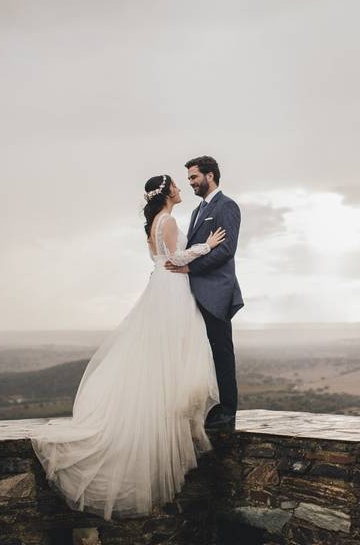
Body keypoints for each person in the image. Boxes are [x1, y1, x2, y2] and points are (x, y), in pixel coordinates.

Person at [29, 174, 226, 520]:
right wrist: (208, 245)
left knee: (160, 354)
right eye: (177, 187)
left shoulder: (155, 222)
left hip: (163, 288)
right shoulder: (167, 220)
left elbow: (163, 259)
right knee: (171, 351)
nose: (181, 189)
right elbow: (176, 258)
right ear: (167, 194)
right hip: (171, 291)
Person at [165, 156, 243, 431]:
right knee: (204, 353)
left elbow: (226, 250)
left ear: (210, 176)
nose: (191, 183)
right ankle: (211, 407)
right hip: (197, 292)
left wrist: (190, 270)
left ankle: (227, 413)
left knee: (221, 352)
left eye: (194, 177)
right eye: (188, 179)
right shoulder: (199, 210)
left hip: (217, 291)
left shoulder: (227, 206)